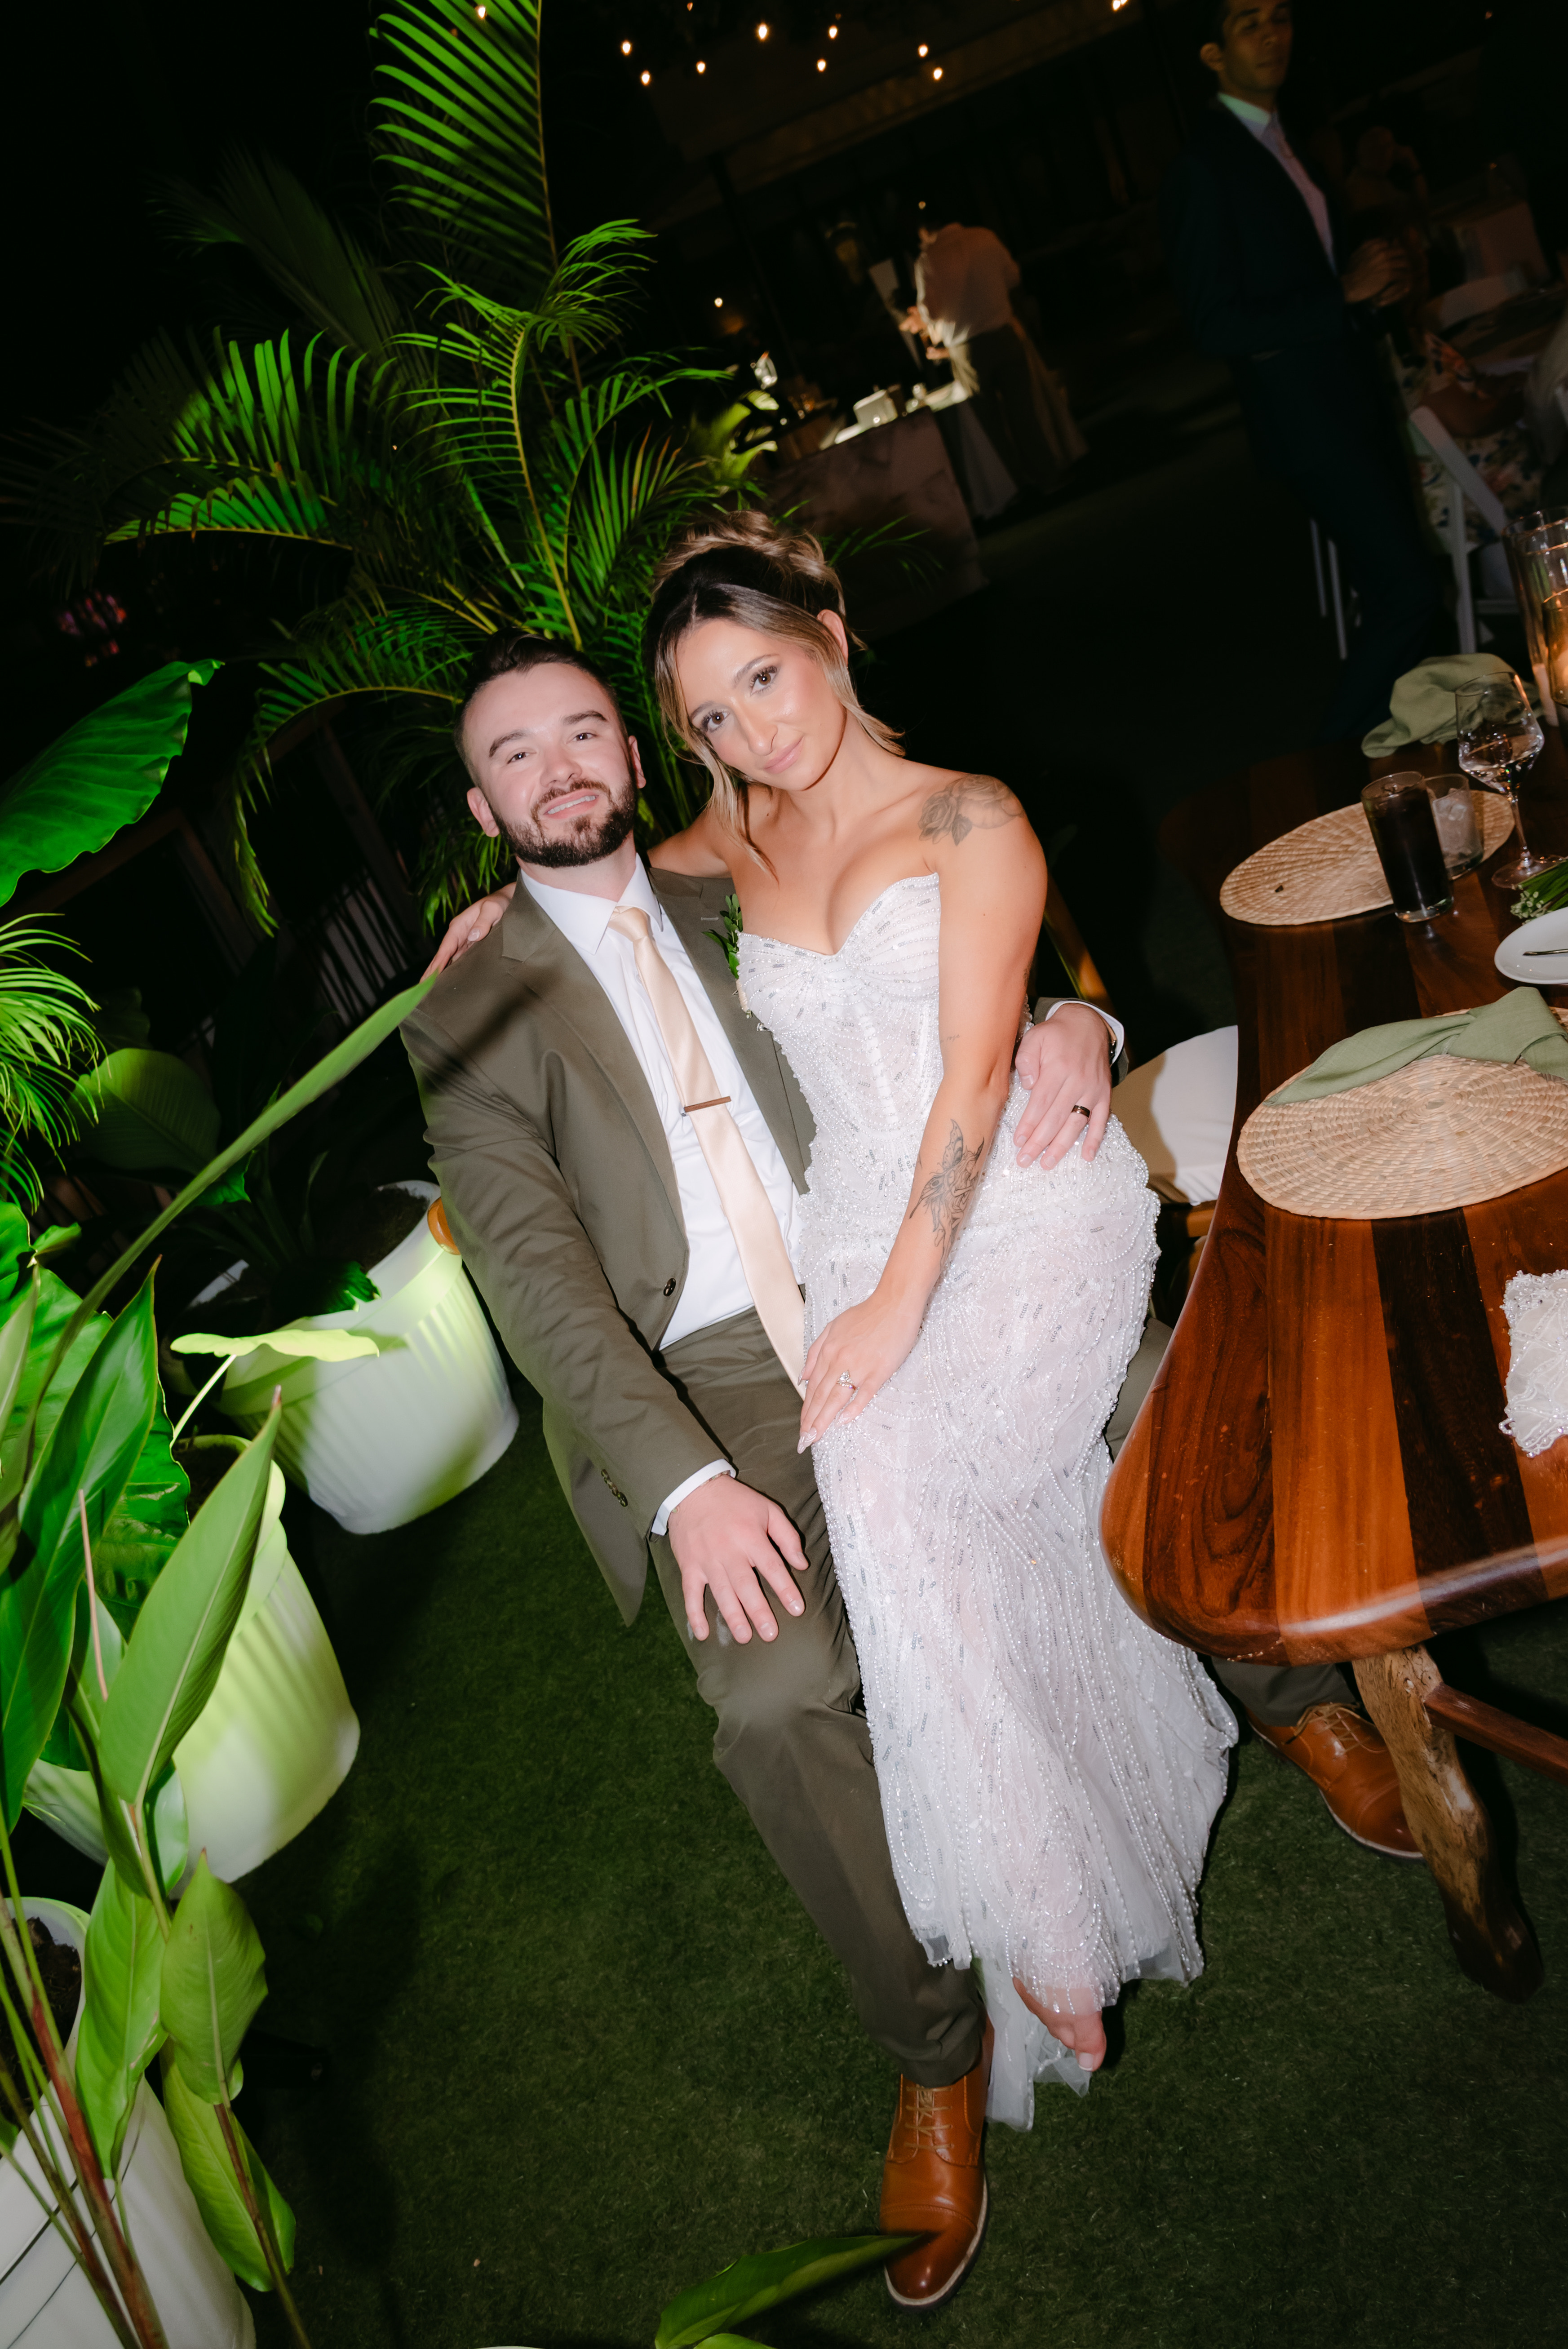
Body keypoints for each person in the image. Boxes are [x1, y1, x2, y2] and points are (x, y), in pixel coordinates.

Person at [402, 622, 1127, 2313]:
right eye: (518, 752)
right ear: (478, 799)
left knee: (1133, 1413)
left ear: (637, 761)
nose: (561, 768)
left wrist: (1077, 1022)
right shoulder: (465, 1011)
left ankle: (1308, 1695)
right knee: (772, 1694)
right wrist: (681, 1484)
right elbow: (541, 1289)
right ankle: (934, 2043)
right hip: (705, 1379)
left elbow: (961, 962)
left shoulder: (742, 870)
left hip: (896, 1263)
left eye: (588, 733)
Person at [636, 517, 1230, 2119]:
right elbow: (609, 884)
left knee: (889, 1477)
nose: (754, 729)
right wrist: (506, 905)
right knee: (884, 1473)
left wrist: (910, 1293)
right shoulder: (731, 846)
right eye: (711, 715)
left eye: (766, 673)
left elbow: (976, 1079)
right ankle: (1058, 1887)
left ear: (831, 627)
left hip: (1018, 1208)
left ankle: (1039, 1914)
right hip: (851, 1226)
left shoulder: (970, 817)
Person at [1160, 1, 1444, 742]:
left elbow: (1315, 282)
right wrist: (1339, 293)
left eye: (1280, 15)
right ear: (1212, 54)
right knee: (1409, 590)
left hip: (1349, 397)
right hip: (1306, 420)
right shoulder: (1205, 166)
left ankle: (1392, 748)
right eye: (1248, 21)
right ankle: (1335, 753)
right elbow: (1215, 324)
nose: (1271, 32)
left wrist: (1370, 295)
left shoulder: (1291, 145)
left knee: (1398, 587)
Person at [904, 212, 1085, 495]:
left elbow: (931, 311)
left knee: (990, 422)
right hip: (1004, 334)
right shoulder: (984, 237)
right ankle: (1047, 477)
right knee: (1024, 412)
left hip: (968, 349)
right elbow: (1013, 277)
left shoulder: (928, 260)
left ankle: (1016, 487)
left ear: (926, 232)